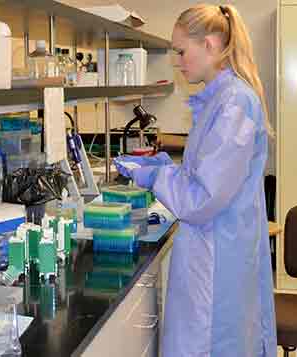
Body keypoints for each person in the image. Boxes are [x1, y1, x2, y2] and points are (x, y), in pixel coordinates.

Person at [114, 4, 276, 357]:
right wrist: (163, 166)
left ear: (212, 44)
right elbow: (207, 174)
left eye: (181, 51)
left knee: (213, 346)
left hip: (219, 261)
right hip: (213, 250)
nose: (177, 61)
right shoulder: (220, 98)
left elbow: (202, 200)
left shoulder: (235, 103)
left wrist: (157, 175)